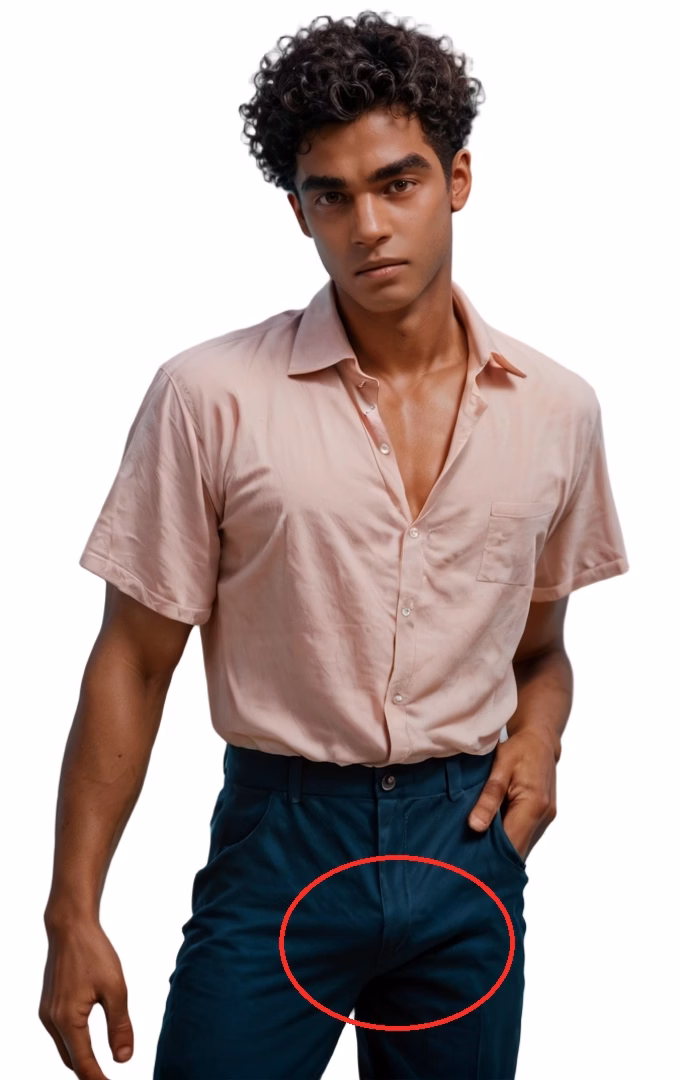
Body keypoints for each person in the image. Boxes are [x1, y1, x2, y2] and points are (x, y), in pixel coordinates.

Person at [39, 10, 630, 1080]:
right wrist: (71, 911)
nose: (368, 226)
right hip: (281, 843)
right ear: (299, 211)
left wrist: (538, 746)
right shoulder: (209, 397)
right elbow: (131, 661)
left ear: (456, 179)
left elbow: (540, 652)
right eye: (331, 196)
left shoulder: (557, 410)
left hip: (465, 849)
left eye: (397, 184)